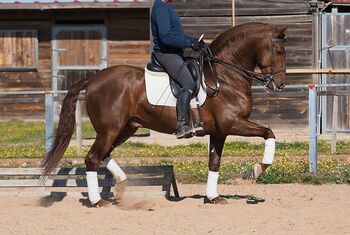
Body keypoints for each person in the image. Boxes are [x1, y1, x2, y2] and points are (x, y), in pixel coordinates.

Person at [151, 0, 202, 139]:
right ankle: (181, 126)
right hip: (166, 54)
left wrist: (194, 41)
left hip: (175, 53)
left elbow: (177, 36)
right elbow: (166, 37)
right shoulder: (161, 8)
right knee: (188, 82)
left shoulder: (167, 6)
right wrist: (189, 43)